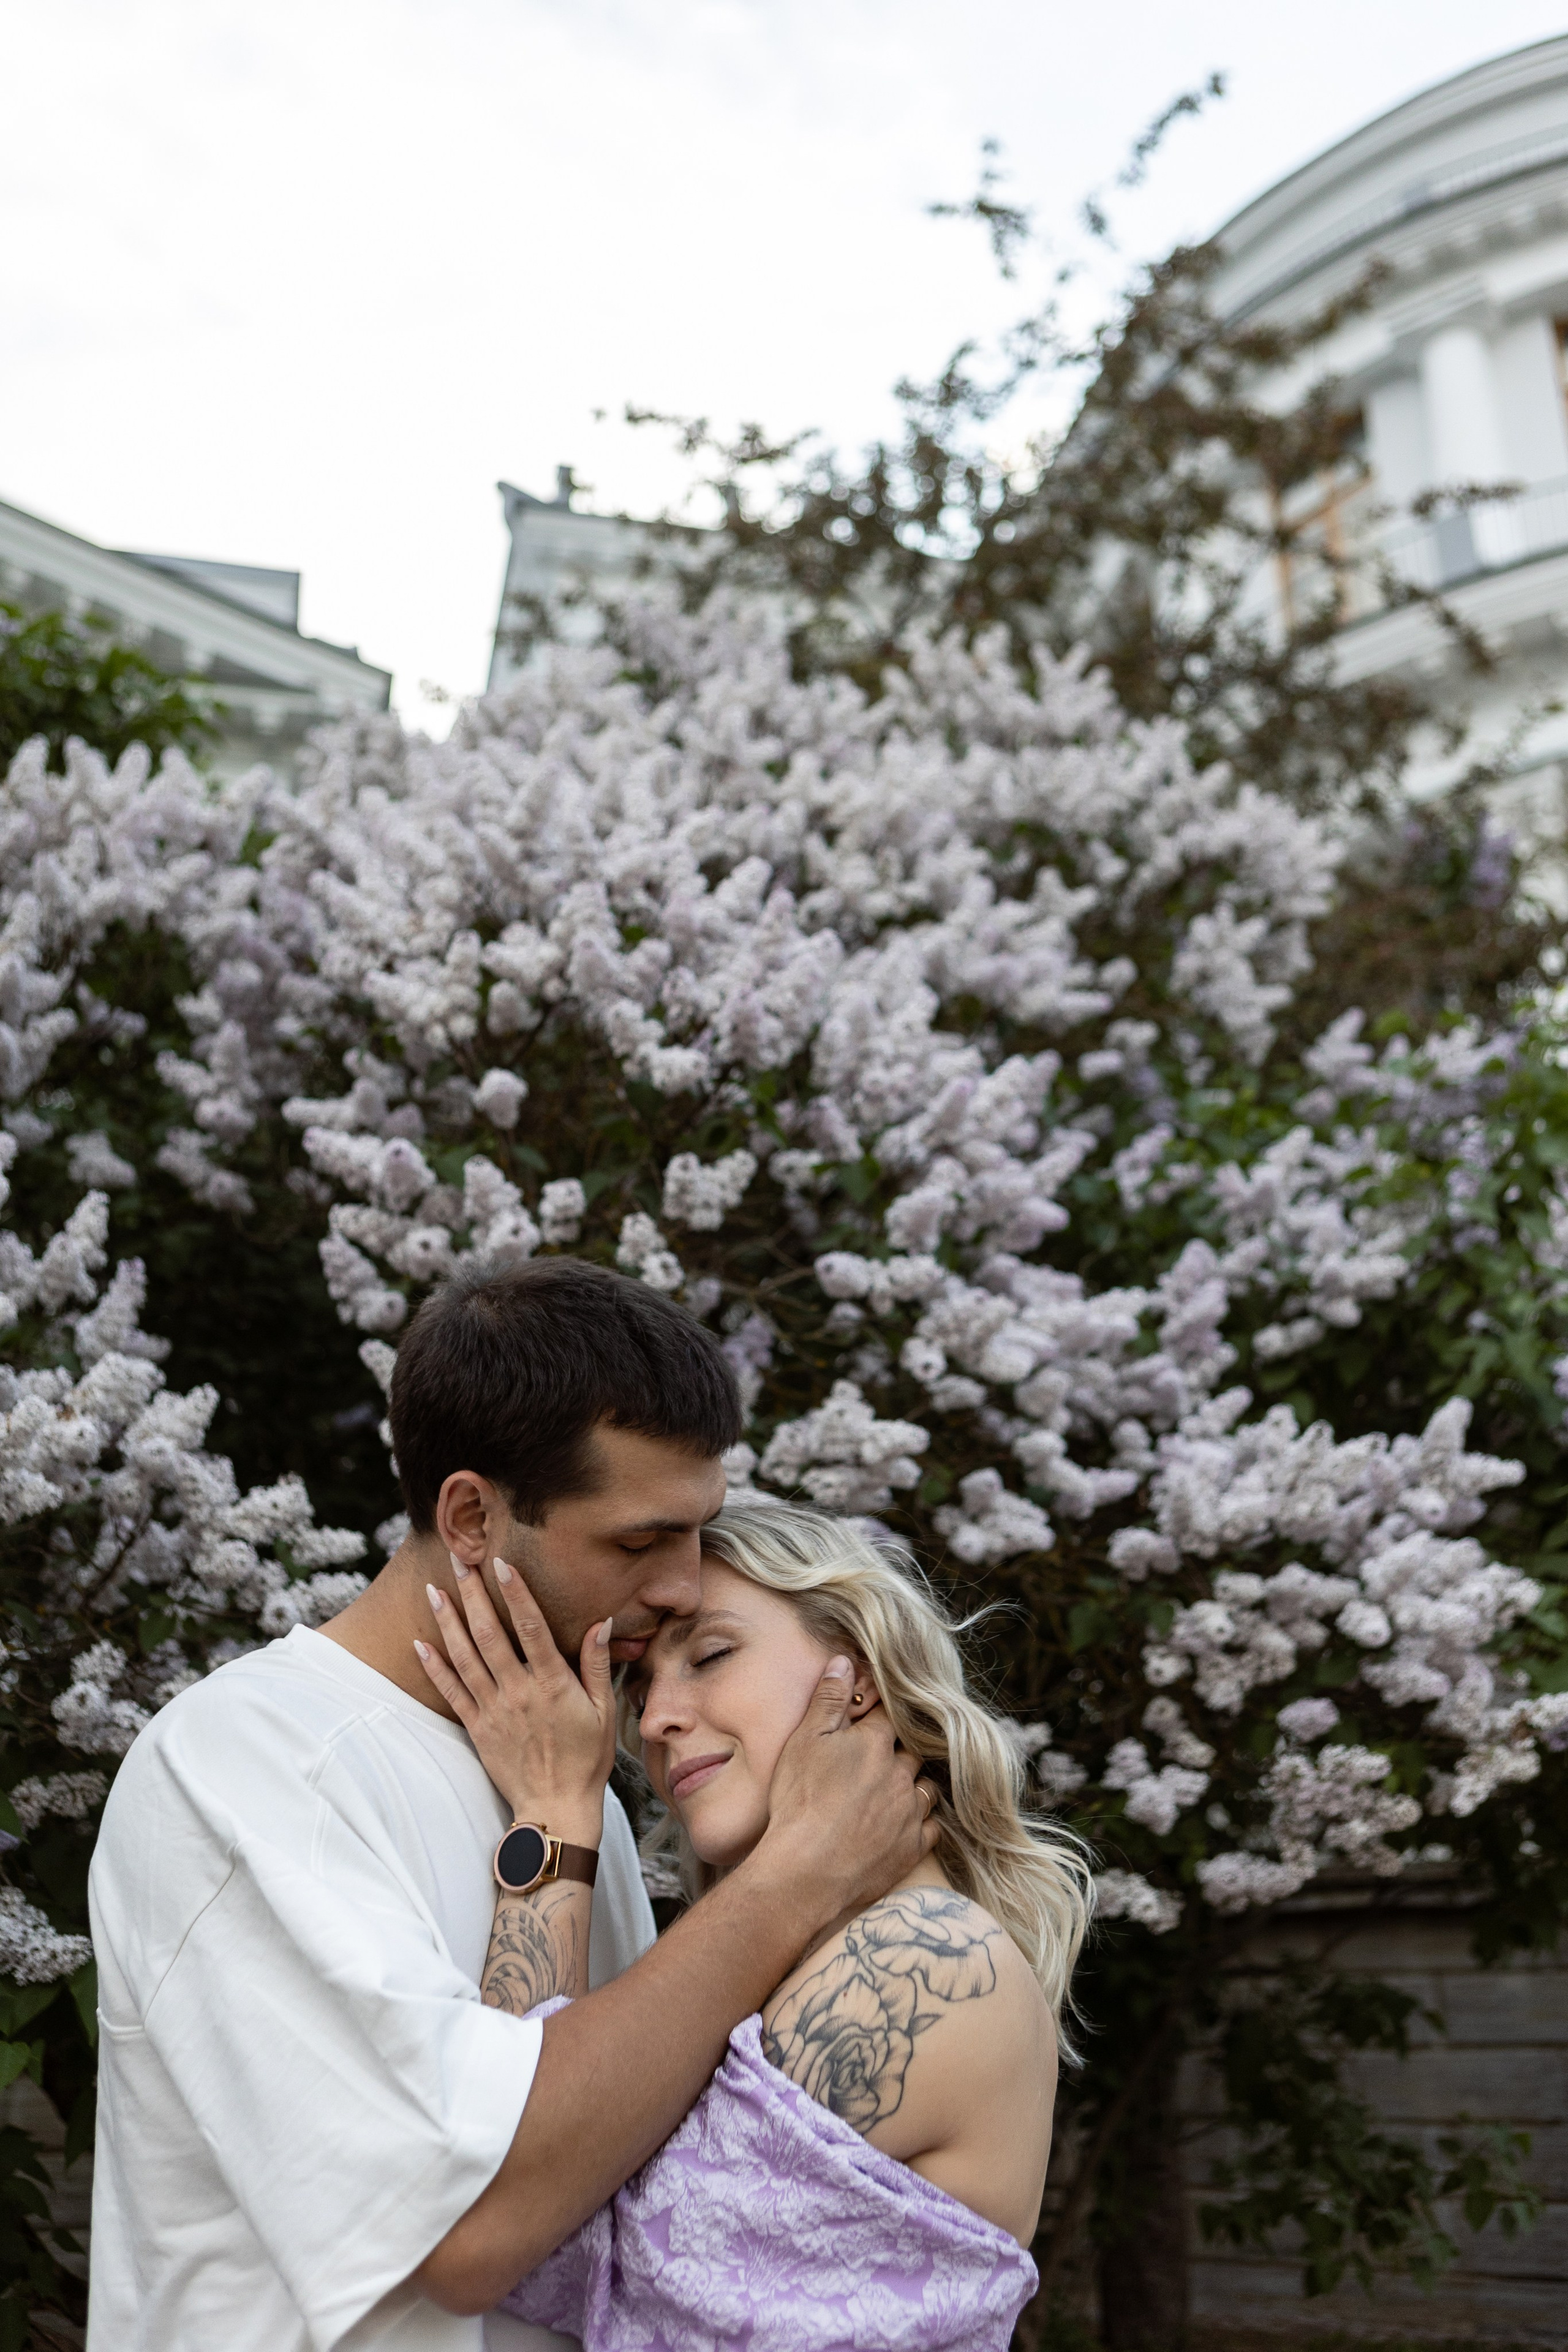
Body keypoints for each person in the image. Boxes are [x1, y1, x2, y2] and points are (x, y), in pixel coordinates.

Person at [86, 1259, 935, 2352]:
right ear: (473, 1516)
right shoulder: (250, 1766)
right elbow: (473, 2232)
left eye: (696, 1530)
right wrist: (795, 1882)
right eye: (639, 1542)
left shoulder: (581, 1796)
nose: (685, 1584)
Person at [417, 1494, 1090, 2352]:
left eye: (712, 1654)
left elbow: (512, 2226)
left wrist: (553, 1812)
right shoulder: (802, 1961)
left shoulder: (915, 1956)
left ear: (861, 1679)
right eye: (645, 1685)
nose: (655, 1718)